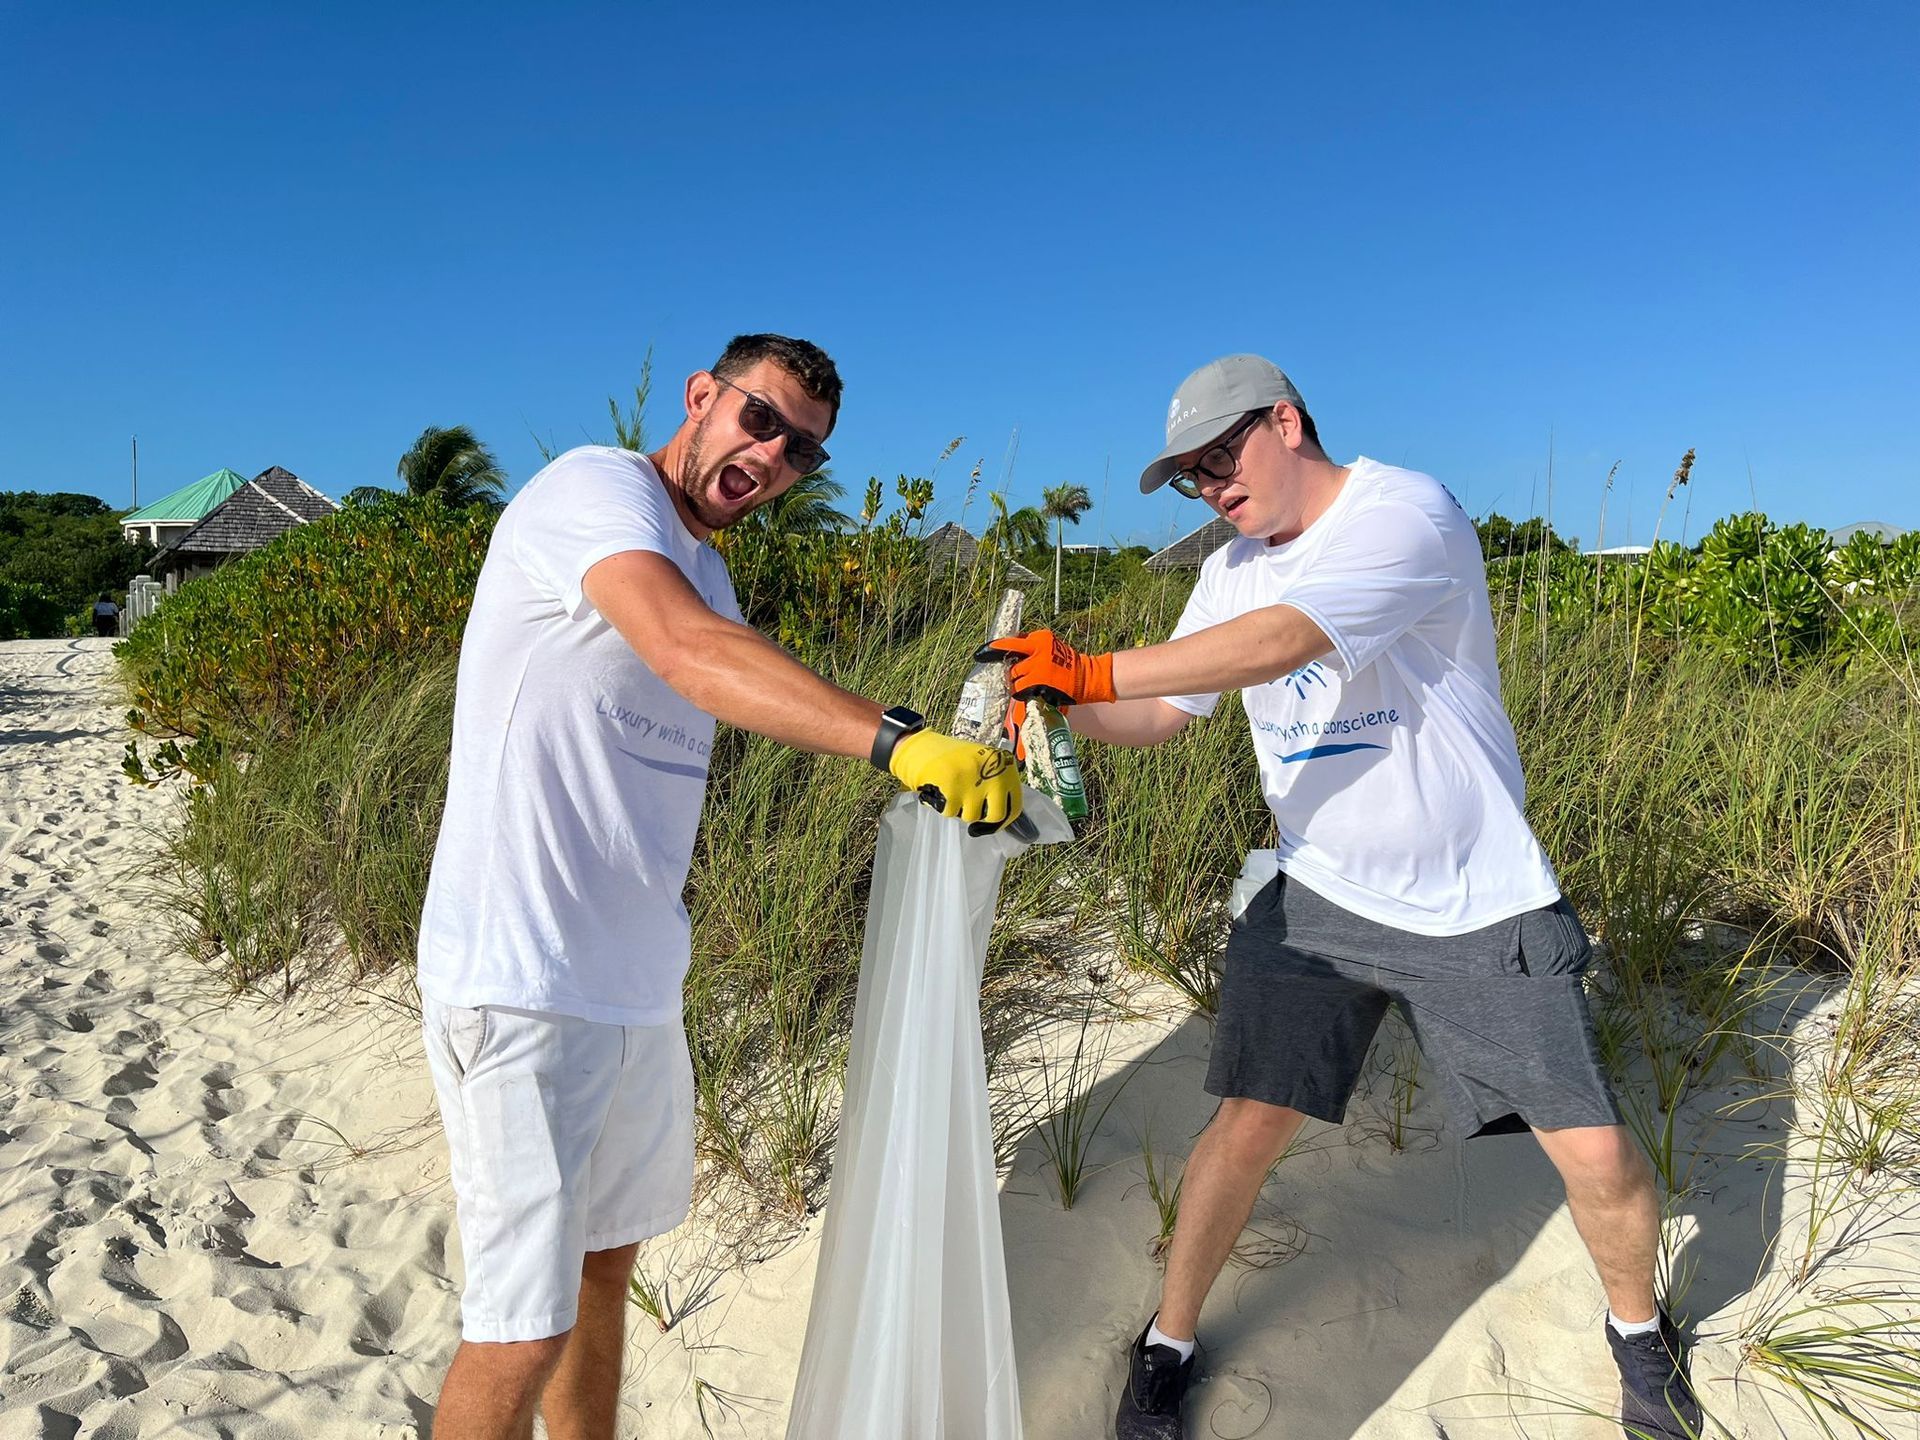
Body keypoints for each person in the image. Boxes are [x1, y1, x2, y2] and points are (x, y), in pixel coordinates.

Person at [988, 354, 1701, 1440]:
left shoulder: (1404, 510)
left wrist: (1089, 666)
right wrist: (1050, 705)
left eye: (1222, 456)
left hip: (1477, 897)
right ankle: (1167, 1344)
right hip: (1313, 888)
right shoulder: (1228, 567)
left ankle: (1639, 1337)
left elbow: (1285, 642)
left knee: (1592, 1151)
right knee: (1243, 1125)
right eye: (1190, 475)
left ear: (1286, 420)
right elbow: (1167, 711)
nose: (1213, 484)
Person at [415, 333, 1021, 1440]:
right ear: (702, 396)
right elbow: (688, 653)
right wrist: (899, 741)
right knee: (518, 1327)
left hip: (636, 990)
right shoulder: (593, 492)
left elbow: (740, 680)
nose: (774, 458)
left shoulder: (712, 568)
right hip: (520, 979)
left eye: (803, 453)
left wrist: (959, 743)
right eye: (760, 421)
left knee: (603, 1275)